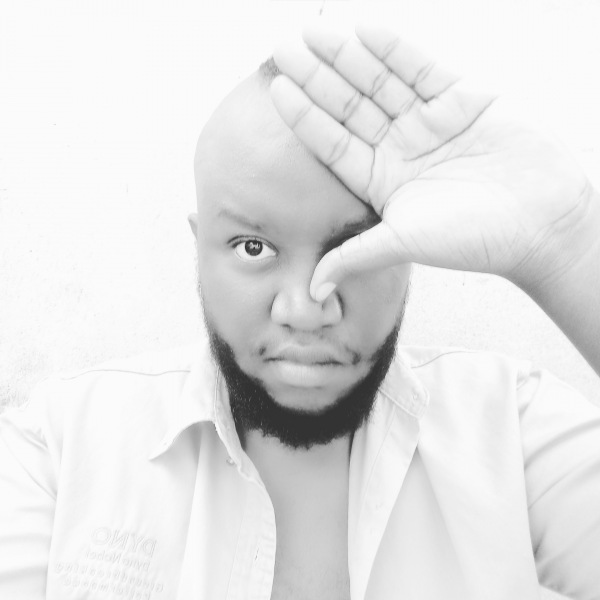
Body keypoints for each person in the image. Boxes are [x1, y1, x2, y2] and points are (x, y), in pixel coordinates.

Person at [1, 23, 599, 600]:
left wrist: (569, 244)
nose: (306, 310)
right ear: (199, 249)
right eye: (253, 248)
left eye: (357, 248)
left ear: (412, 250)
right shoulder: (57, 449)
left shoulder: (514, 433)